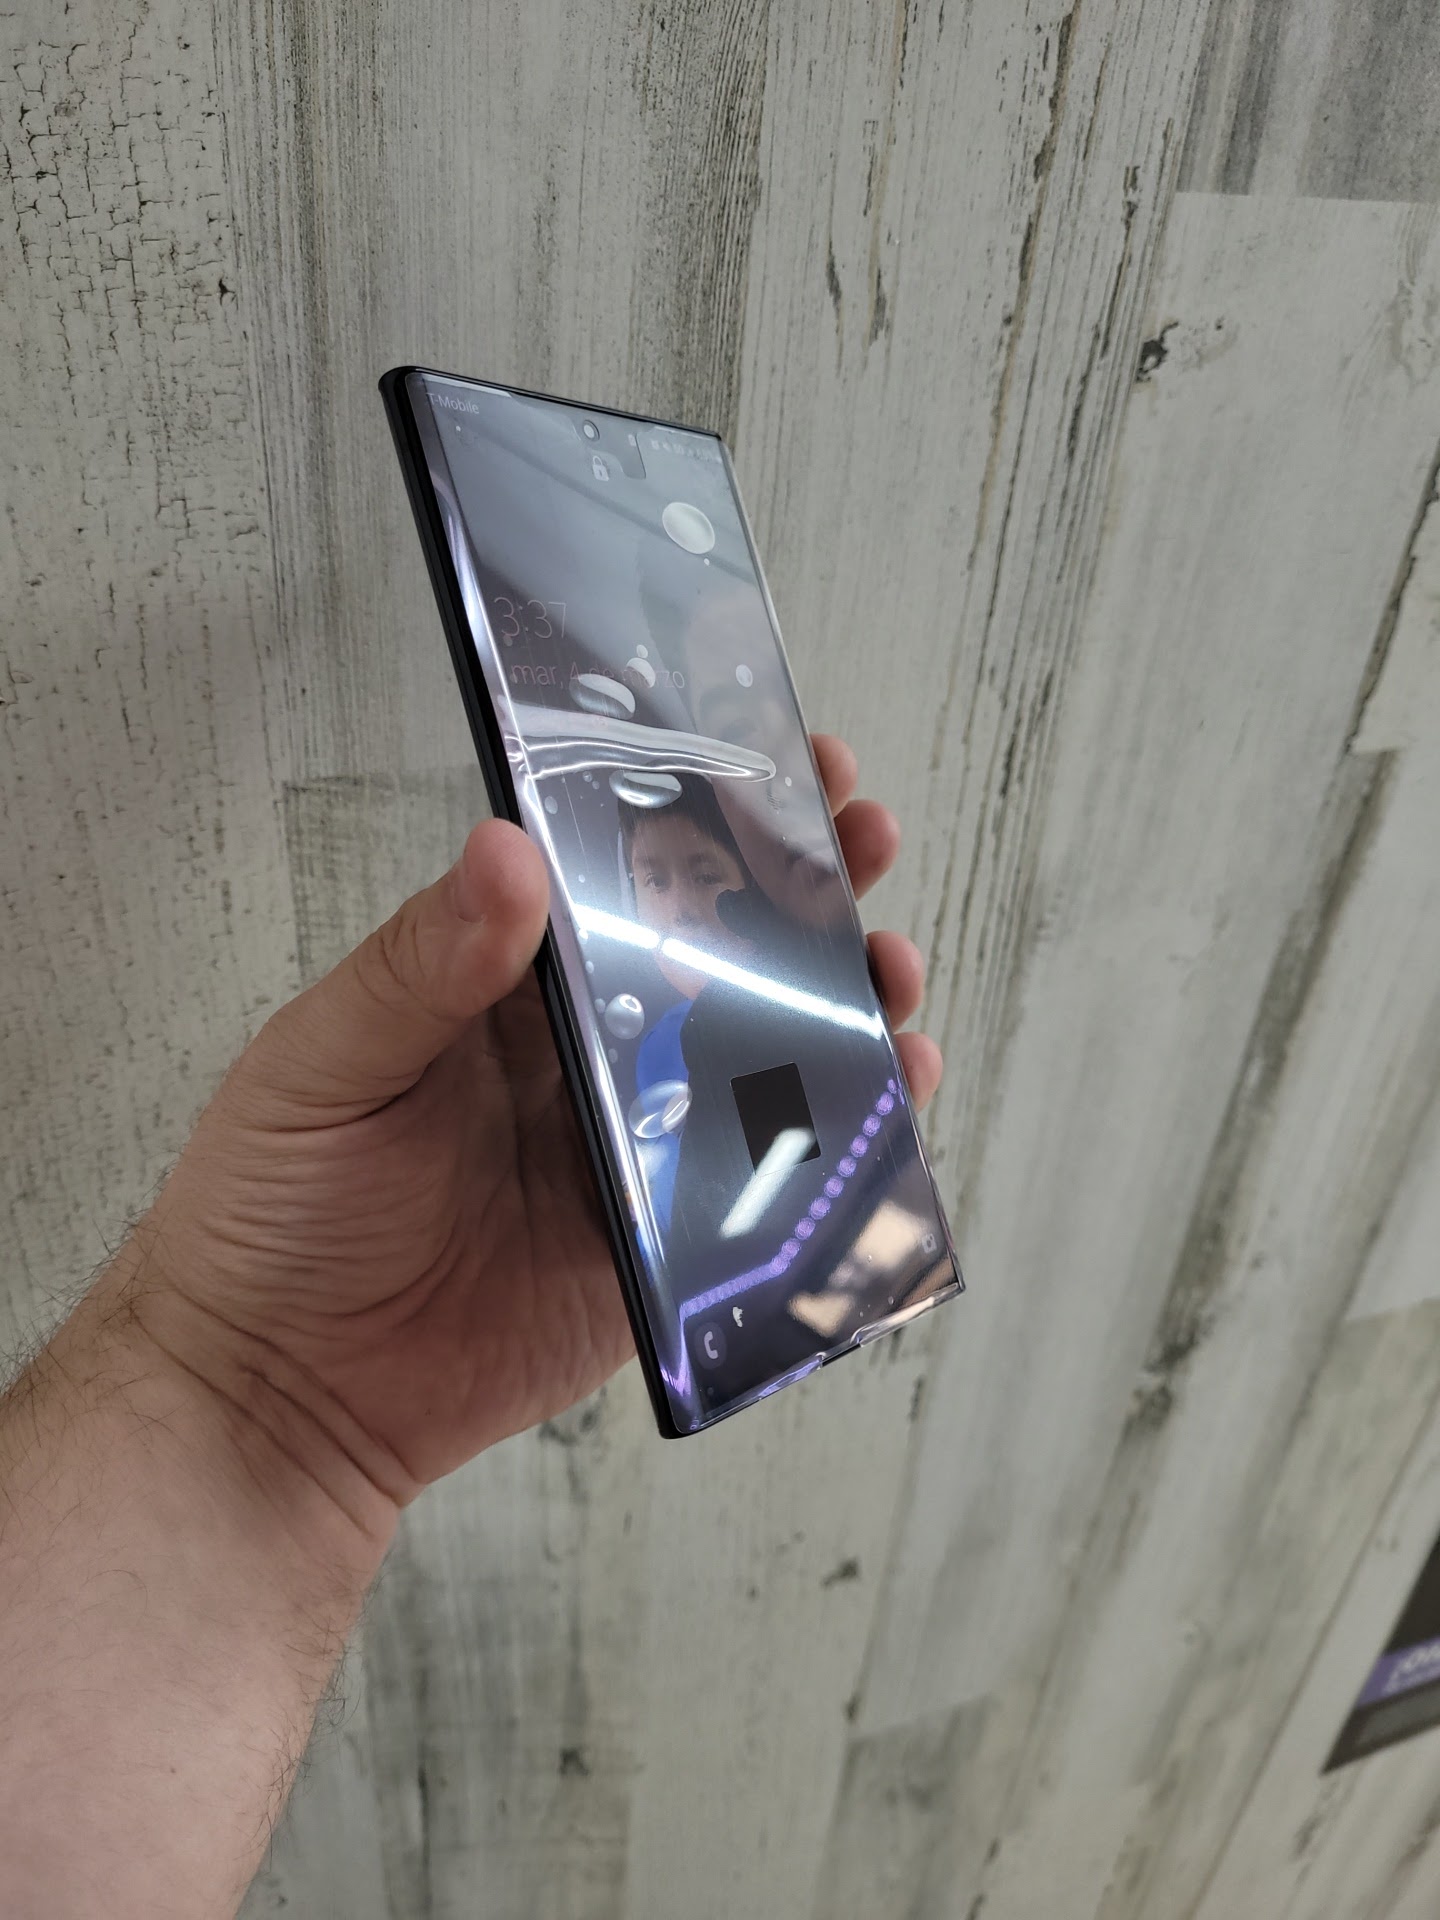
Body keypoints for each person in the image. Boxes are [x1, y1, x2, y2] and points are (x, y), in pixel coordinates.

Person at [0, 733, 941, 1917]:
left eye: (709, 877)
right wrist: (246, 1385)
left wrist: (249, 1392)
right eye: (653, 880)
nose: (682, 904)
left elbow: (790, 1193)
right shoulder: (668, 1043)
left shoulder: (752, 1035)